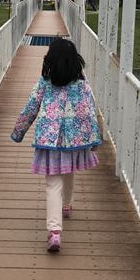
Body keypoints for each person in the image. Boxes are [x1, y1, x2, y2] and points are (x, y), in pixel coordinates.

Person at [11, 38, 101, 252]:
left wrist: (18, 132)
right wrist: (95, 139)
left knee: (53, 183)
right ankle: (67, 206)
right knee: (68, 171)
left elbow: (30, 107)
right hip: (75, 139)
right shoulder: (82, 85)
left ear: (50, 60)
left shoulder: (45, 82)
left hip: (49, 139)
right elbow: (90, 113)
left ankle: (54, 232)